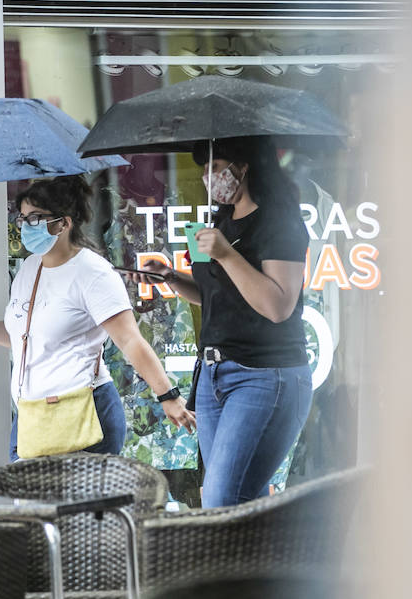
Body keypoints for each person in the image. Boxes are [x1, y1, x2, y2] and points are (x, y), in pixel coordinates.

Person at [129, 137, 313, 507]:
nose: (206, 177)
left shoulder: (279, 221)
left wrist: (227, 255)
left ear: (243, 167)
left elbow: (277, 306)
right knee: (242, 502)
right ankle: (257, 565)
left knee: (221, 500)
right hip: (214, 375)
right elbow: (219, 295)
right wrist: (170, 277)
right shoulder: (222, 221)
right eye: (204, 169)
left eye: (214, 168)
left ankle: (241, 564)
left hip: (264, 374)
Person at [0, 176, 196, 460]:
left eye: (35, 218)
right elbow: (29, 339)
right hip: (33, 417)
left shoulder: (92, 272)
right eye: (22, 218)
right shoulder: (29, 269)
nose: (26, 226)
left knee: (78, 505)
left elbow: (130, 341)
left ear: (64, 223)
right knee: (32, 504)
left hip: (84, 412)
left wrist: (167, 397)